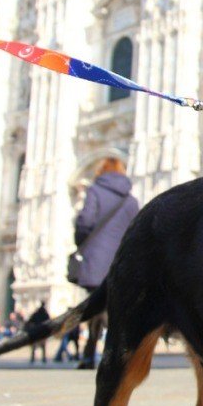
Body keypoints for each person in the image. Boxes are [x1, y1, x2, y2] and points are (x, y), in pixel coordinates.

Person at [74, 157, 140, 369]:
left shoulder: (95, 191)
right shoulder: (131, 201)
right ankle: (116, 353)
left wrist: (82, 241)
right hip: (121, 260)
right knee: (114, 304)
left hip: (96, 259)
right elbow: (136, 231)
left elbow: (85, 221)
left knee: (98, 305)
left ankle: (91, 353)